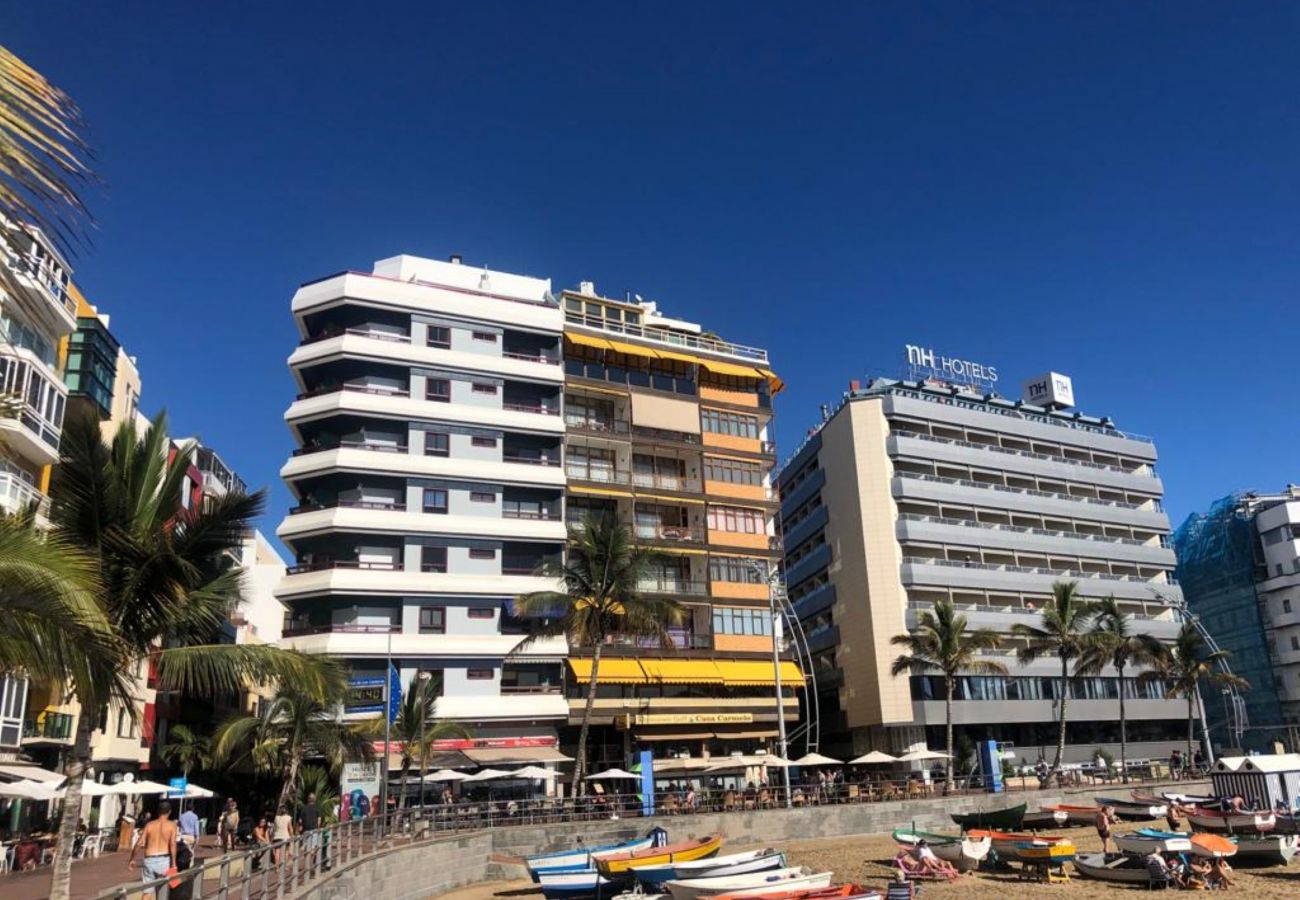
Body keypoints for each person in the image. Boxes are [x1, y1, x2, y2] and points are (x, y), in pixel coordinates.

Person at [128, 802, 178, 896]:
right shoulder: (172, 825)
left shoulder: (149, 825)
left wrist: (132, 859)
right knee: (163, 890)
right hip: (164, 860)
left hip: (149, 859)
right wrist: (174, 863)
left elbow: (139, 843)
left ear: (158, 811)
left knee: (147, 892)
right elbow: (172, 844)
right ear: (169, 812)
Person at [297, 791, 323, 869]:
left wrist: (301, 827)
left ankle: (305, 848)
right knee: (314, 848)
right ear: (314, 800)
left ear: (308, 799)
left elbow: (300, 820)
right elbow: (319, 820)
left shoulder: (304, 808)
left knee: (307, 847)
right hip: (314, 829)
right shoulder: (317, 808)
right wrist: (318, 828)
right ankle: (310, 862)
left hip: (306, 830)